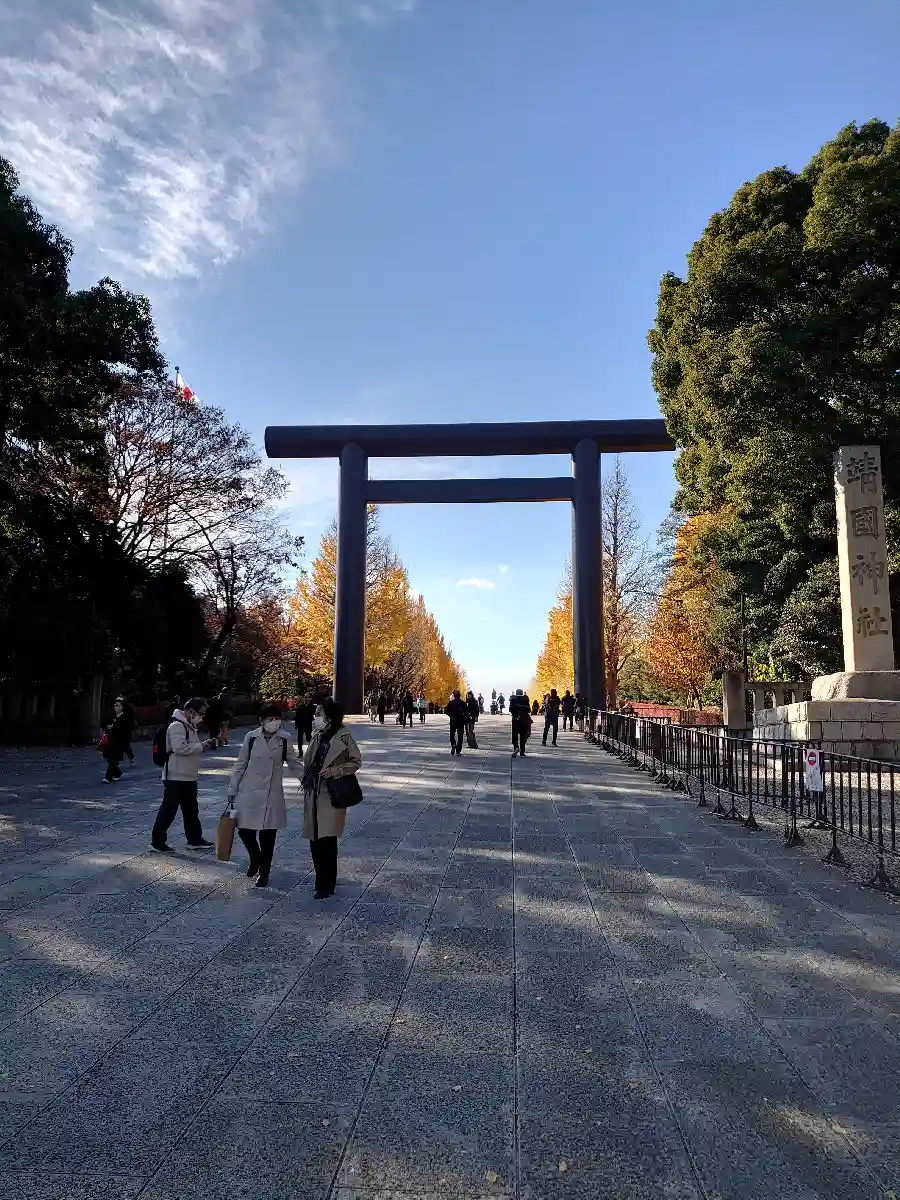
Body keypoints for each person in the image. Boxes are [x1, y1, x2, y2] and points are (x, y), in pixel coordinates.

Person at [229, 703, 301, 888]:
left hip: (272, 793)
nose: (274, 722)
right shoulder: (251, 737)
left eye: (277, 718)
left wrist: (306, 780)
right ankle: (255, 857)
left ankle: (264, 873)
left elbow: (293, 762)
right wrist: (232, 789)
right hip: (249, 791)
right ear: (261, 721)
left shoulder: (284, 738)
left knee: (268, 836)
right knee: (244, 830)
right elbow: (241, 764)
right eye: (270, 719)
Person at [301, 698, 361, 899]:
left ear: (329, 717)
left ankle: (327, 884)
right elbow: (308, 763)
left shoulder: (343, 735)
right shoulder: (317, 735)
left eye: (319, 714)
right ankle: (320, 880)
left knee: (327, 838)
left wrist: (337, 770)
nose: (316, 717)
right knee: (315, 839)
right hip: (313, 792)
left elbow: (356, 761)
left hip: (331, 792)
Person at [151, 697, 218, 852]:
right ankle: (157, 841)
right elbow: (179, 747)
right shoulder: (177, 726)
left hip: (188, 776)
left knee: (191, 811)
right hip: (176, 776)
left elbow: (190, 747)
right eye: (201, 713)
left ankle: (194, 839)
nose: (202, 717)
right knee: (168, 810)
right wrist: (202, 746)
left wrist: (203, 745)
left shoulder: (189, 726)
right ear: (191, 711)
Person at [101, 698, 131, 784]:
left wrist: (113, 727)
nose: (115, 707)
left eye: (118, 706)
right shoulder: (113, 716)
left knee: (113, 759)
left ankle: (108, 777)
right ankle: (117, 772)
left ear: (122, 707)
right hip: (111, 740)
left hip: (119, 741)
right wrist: (108, 728)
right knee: (108, 757)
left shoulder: (124, 718)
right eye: (115, 705)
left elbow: (124, 731)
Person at [509, 689, 532, 756]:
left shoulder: (513, 700)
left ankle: (516, 747)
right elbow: (529, 710)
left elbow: (510, 710)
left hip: (515, 719)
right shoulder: (526, 699)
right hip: (524, 720)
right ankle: (522, 751)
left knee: (514, 735)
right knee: (523, 735)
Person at [445, 689, 468, 755]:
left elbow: (446, 710)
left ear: (454, 696)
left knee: (452, 734)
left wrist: (451, 715)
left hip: (453, 721)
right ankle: (458, 750)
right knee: (460, 735)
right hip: (460, 721)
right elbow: (466, 712)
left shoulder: (451, 703)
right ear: (459, 695)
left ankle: (453, 745)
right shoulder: (463, 703)